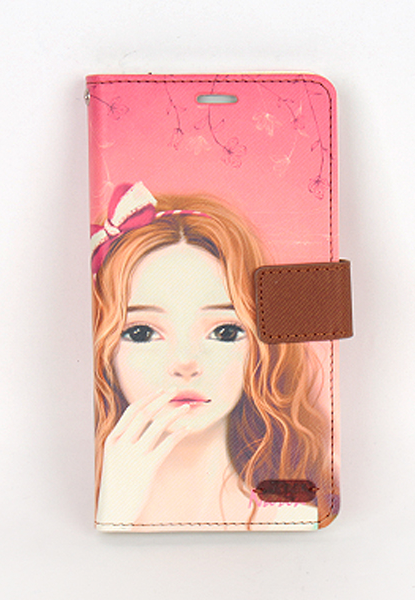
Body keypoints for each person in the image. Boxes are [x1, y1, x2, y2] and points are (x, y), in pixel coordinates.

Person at [91, 182, 336, 531]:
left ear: (260, 349)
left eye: (224, 332)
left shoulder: (295, 516)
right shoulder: (88, 508)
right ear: (104, 351)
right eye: (142, 332)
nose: (185, 362)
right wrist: (113, 513)